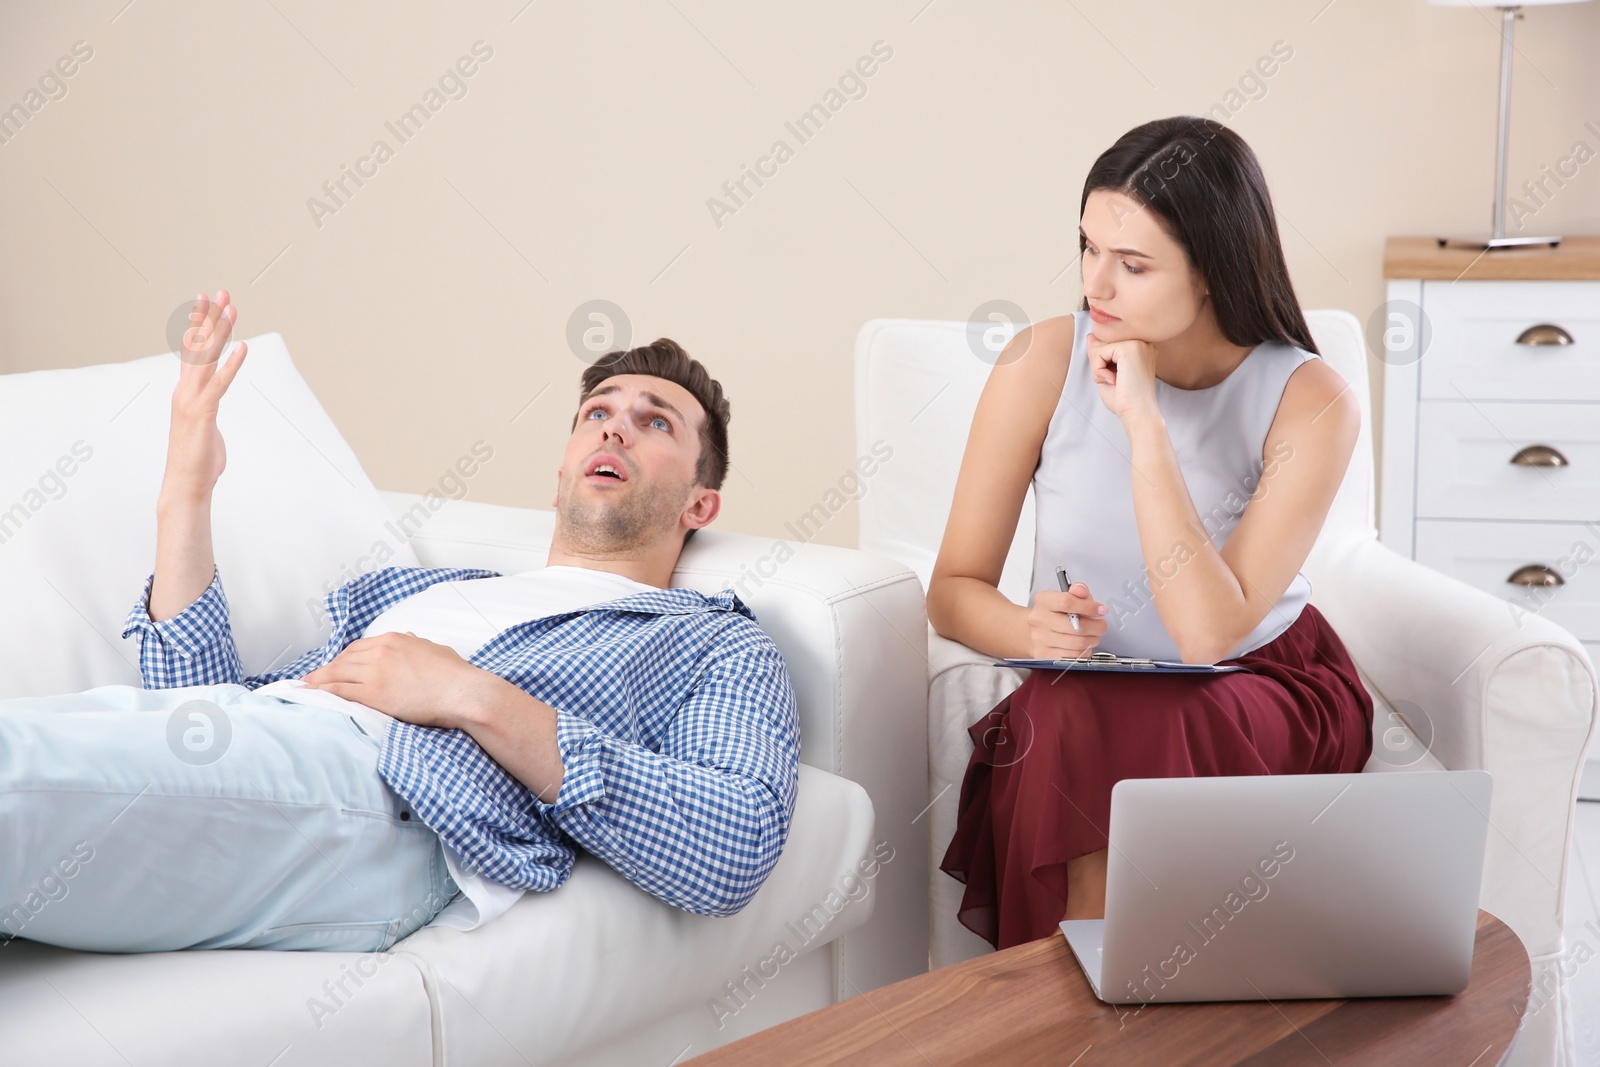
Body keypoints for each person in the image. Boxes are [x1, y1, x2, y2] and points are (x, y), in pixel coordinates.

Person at [0, 291, 799, 953]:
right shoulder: (420, 590)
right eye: (597, 412)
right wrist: (186, 490)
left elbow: (730, 846)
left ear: (702, 503)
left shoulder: (712, 640)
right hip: (265, 741)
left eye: (656, 421)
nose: (615, 426)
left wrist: (469, 695)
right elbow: (196, 711)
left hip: (386, 796)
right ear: (559, 474)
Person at [931, 116, 1374, 950]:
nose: (1097, 285)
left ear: (1212, 272)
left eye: (1132, 265)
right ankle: (1092, 1016)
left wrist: (1143, 425)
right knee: (1074, 714)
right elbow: (952, 589)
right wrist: (1027, 628)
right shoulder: (1038, 361)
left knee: (1128, 722)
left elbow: (1208, 633)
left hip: (1255, 681)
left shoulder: (1312, 399)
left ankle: (1100, 1022)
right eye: (1089, 247)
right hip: (1093, 684)